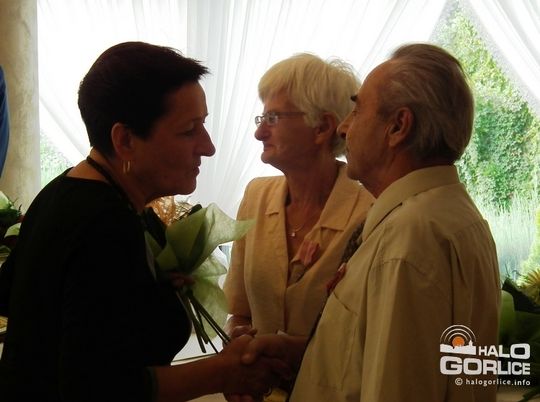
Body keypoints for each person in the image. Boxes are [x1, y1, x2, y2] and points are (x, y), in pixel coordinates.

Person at [0, 41, 288, 402]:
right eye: (189, 130)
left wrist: (146, 289)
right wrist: (224, 372)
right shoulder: (104, 224)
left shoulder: (63, 192)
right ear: (125, 140)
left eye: (203, 125)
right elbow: (97, 389)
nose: (208, 146)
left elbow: (18, 297)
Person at [241, 43, 501, 402]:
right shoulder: (452, 215)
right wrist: (306, 355)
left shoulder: (408, 239)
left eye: (358, 109)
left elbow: (397, 389)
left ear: (398, 127)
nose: (344, 128)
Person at [223, 53, 374, 340]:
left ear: (322, 127)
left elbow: (368, 333)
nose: (259, 133)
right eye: (261, 118)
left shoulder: (370, 212)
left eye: (272, 118)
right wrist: (237, 336)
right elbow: (239, 311)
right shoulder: (256, 196)